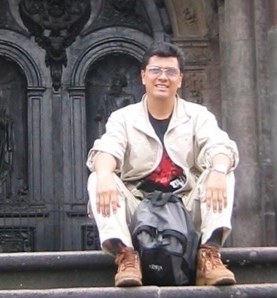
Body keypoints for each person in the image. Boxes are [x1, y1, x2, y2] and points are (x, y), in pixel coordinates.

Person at [86, 41, 238, 287]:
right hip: (140, 207)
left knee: (222, 171)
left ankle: (209, 255)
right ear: (143, 76)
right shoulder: (123, 117)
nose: (162, 78)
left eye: (170, 72)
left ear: (181, 79)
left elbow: (220, 145)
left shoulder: (198, 115)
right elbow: (107, 149)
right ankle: (126, 256)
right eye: (156, 71)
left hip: (185, 206)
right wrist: (104, 175)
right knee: (98, 177)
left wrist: (218, 170)